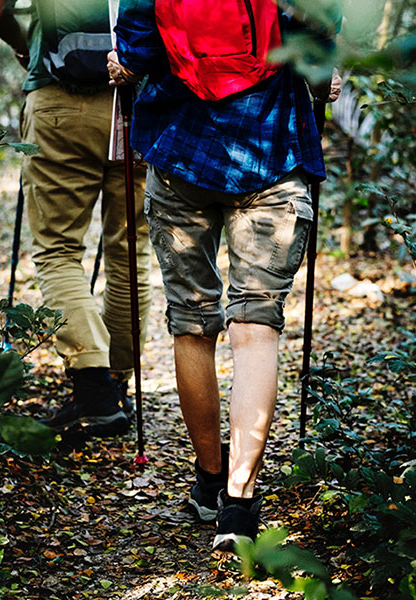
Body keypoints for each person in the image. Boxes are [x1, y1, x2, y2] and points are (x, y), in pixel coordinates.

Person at [110, 0, 339, 551]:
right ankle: (239, 505)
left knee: (192, 324)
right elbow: (321, 37)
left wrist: (123, 66)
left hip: (181, 154)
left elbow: (137, 54)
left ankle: (208, 481)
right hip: (274, 154)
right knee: (255, 328)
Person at [0, 0, 152, 437]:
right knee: (131, 247)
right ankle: (115, 386)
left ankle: (94, 390)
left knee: (57, 249)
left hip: (61, 99)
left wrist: (26, 50)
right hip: (140, 103)